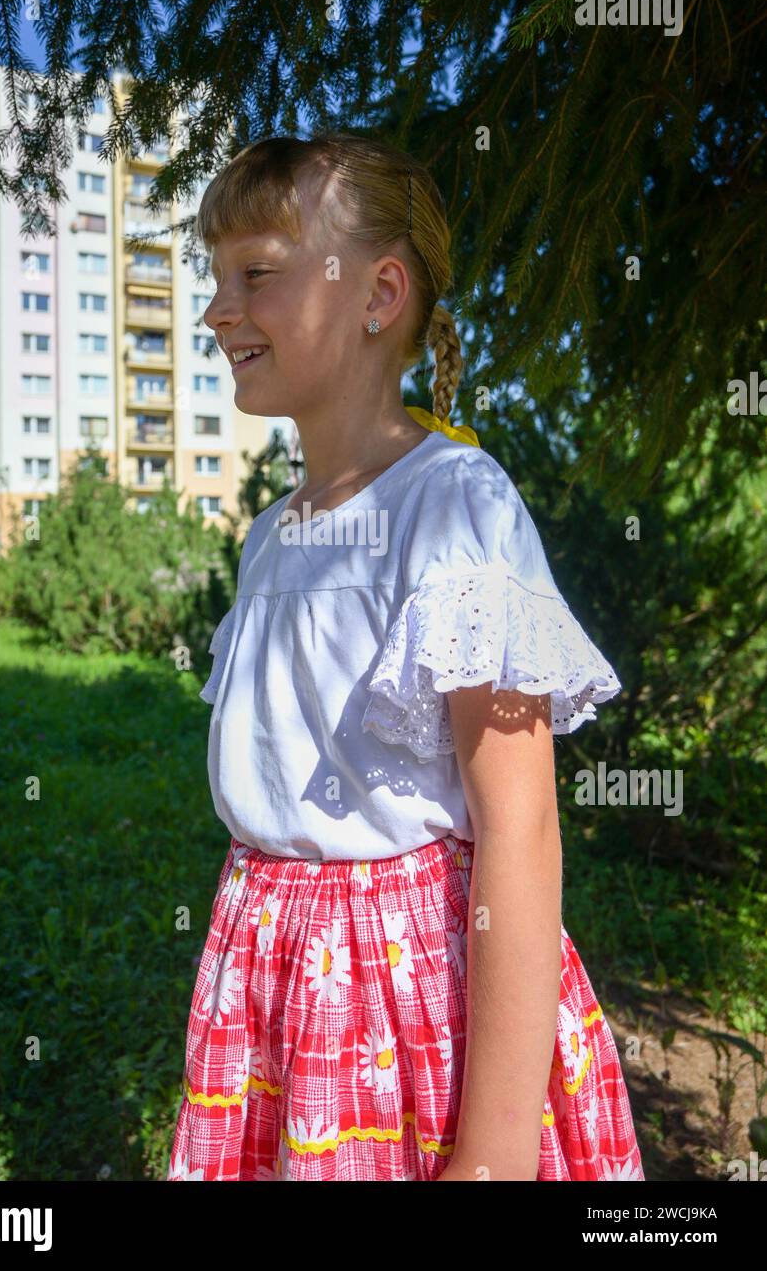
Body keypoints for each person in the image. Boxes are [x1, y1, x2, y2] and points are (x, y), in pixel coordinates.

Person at [167, 133, 645, 1182]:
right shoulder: (267, 536)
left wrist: (488, 1161)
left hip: (403, 1019)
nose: (216, 312)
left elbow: (517, 829)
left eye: (255, 274)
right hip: (272, 998)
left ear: (379, 293)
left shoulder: (453, 504)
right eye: (215, 280)